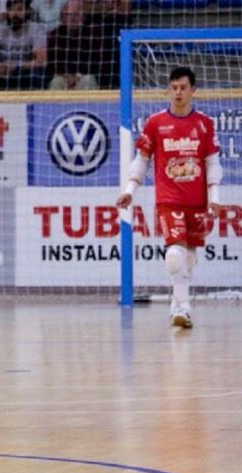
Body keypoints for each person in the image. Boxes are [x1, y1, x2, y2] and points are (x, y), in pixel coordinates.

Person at [116, 67, 223, 329]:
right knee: (174, 255)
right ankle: (184, 309)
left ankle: (177, 305)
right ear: (169, 89)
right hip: (169, 199)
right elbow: (142, 160)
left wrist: (215, 196)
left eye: (183, 87)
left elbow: (212, 162)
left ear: (193, 90)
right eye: (173, 87)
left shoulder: (205, 124)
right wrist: (130, 190)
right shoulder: (155, 123)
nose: (178, 92)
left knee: (188, 258)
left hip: (197, 201)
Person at [0, 0, 48, 91]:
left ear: (27, 12)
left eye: (19, 10)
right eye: (11, 10)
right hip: (2, 72)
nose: (15, 14)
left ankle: (34, 103)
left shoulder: (36, 29)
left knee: (38, 74)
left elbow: (41, 61)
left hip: (25, 72)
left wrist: (17, 66)